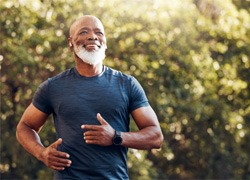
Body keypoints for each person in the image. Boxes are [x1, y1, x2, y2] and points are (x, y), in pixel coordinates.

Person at [16, 15, 164, 179]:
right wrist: (42, 153)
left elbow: (156, 137)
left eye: (98, 33)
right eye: (83, 32)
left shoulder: (127, 84)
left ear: (105, 42)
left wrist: (116, 137)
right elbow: (25, 126)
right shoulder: (53, 87)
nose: (92, 36)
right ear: (70, 42)